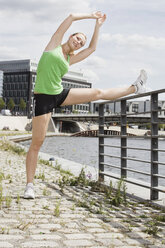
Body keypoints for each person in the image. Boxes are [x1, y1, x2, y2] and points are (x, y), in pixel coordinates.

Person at [24, 11, 147, 199]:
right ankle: (29, 186)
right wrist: (91, 16)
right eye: (77, 38)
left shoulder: (69, 59)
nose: (79, 43)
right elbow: (72, 16)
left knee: (97, 93)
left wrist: (98, 26)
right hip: (43, 98)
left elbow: (92, 49)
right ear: (70, 36)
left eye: (81, 42)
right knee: (37, 143)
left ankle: (134, 88)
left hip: (60, 94)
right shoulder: (54, 45)